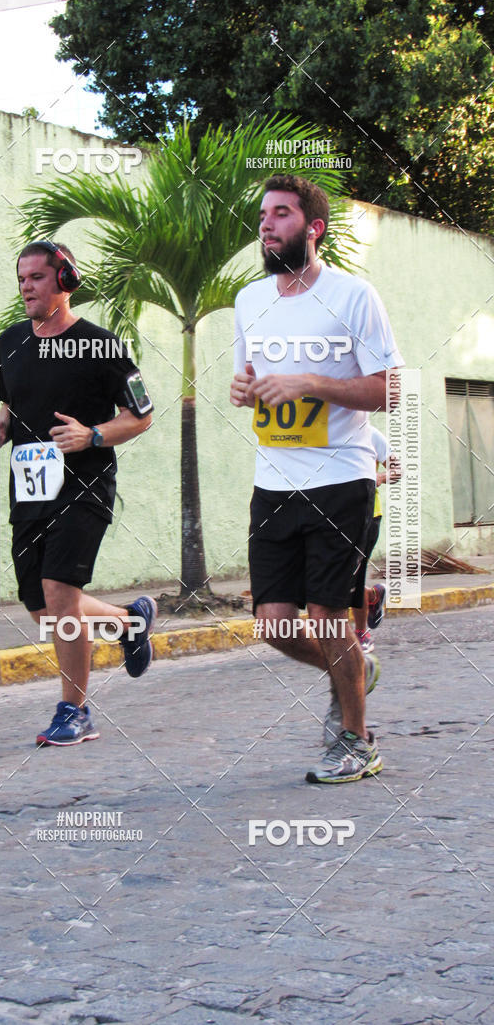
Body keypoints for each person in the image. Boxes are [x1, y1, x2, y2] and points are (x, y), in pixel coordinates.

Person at [230, 175, 404, 784]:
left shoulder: (354, 296)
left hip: (340, 479)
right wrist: (245, 390)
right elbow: (249, 382)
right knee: (275, 624)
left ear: (313, 228)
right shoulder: (250, 301)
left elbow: (388, 387)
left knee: (331, 619)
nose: (268, 225)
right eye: (263, 215)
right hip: (273, 481)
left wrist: (309, 383)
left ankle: (356, 742)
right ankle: (353, 669)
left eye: (281, 214)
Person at [0, 240, 156, 747]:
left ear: (64, 281)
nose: (26, 288)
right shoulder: (11, 341)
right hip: (30, 486)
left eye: (37, 278)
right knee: (42, 608)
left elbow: (142, 414)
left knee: (62, 596)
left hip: (84, 488)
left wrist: (94, 435)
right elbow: (6, 405)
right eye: (21, 279)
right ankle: (130, 621)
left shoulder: (102, 346)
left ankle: (74, 711)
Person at [352, 425, 401, 654]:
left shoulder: (371, 435)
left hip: (368, 516)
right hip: (329, 517)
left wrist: (380, 476)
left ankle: (361, 632)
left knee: (352, 574)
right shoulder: (323, 432)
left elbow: (397, 470)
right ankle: (373, 595)